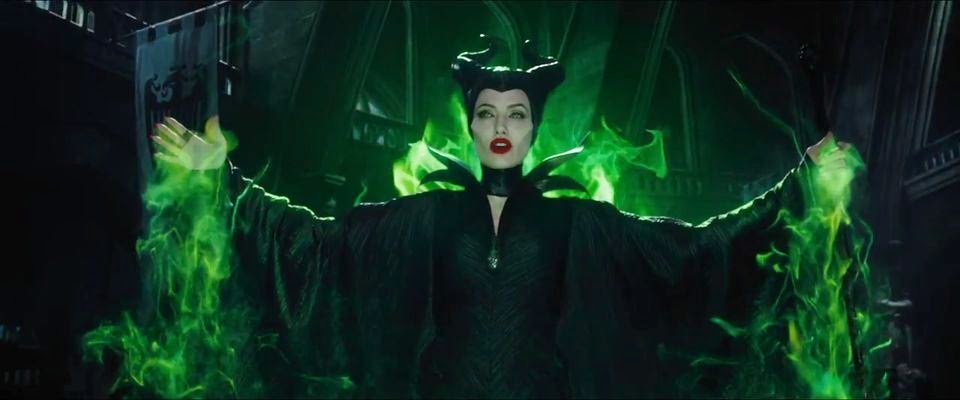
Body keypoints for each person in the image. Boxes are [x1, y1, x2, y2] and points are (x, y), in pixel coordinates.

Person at [151, 39, 853, 398]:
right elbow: (317, 248)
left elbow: (696, 252)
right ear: (470, 124)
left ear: (533, 129)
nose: (500, 127)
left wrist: (800, 187)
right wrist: (224, 183)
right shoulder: (427, 217)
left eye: (516, 115)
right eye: (487, 113)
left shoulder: (576, 224)